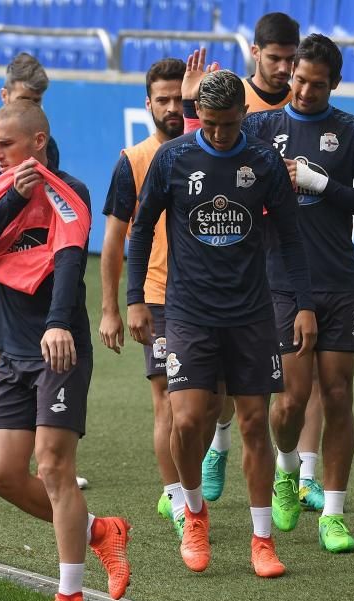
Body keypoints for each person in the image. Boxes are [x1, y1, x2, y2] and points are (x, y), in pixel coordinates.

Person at [128, 70, 316, 578]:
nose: (217, 134)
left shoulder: (262, 161)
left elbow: (291, 237)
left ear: (243, 117)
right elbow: (141, 230)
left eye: (227, 124)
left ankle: (261, 540)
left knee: (255, 422)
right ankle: (194, 511)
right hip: (188, 312)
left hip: (252, 313)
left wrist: (302, 304)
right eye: (208, 124)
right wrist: (135, 299)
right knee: (187, 420)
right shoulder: (173, 158)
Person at [0, 100, 130, 601]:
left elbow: (69, 260)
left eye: (5, 145)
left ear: (36, 143)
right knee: (3, 475)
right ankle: (100, 531)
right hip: (13, 352)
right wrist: (13, 193)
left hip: (61, 347)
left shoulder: (69, 191)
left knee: (55, 468)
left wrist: (58, 322)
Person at [241, 34, 354, 551]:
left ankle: (333, 512)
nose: (303, 91)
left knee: (340, 395)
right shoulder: (260, 127)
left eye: (316, 84)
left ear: (335, 84)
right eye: (298, 79)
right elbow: (217, 163)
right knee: (291, 402)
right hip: (279, 281)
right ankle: (286, 470)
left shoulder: (351, 131)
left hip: (338, 280)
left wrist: (318, 184)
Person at [185, 14, 326, 507]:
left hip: (290, 255)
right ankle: (219, 448)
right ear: (255, 53)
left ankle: (303, 473)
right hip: (236, 259)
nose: (288, 71)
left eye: (293, 60)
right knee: (226, 379)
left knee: (298, 375)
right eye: (277, 58)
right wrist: (187, 104)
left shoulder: (308, 99)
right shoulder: (230, 102)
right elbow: (191, 157)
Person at [98, 57, 231, 538]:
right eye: (164, 100)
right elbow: (114, 240)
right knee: (169, 406)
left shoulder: (217, 150)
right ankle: (179, 501)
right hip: (159, 298)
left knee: (216, 403)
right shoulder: (133, 161)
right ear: (148, 104)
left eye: (181, 98)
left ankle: (212, 451)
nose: (173, 108)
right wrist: (114, 306)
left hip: (220, 298)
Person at [0, 53, 87, 489]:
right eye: (25, 97)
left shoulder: (44, 147)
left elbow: (53, 216)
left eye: (39, 99)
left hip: (29, 270)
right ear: (5, 95)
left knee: (44, 365)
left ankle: (53, 464)